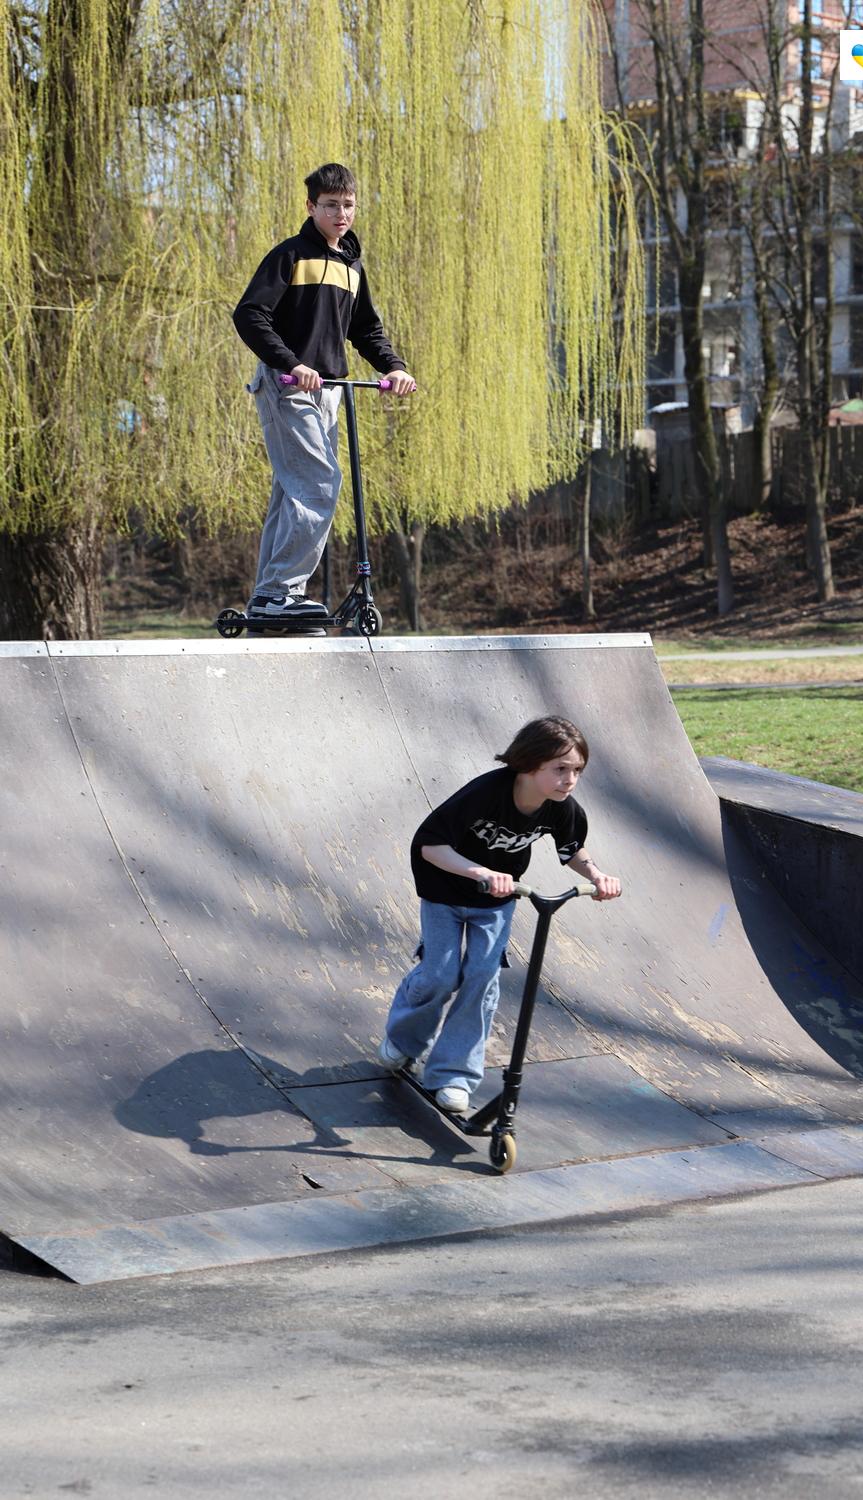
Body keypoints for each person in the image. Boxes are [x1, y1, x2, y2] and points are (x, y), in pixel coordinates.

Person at [378, 717, 622, 1113]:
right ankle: (403, 1042)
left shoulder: (562, 809)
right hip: (444, 894)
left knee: (481, 978)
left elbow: (572, 848)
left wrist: (597, 875)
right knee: (441, 975)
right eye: (560, 769)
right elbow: (429, 845)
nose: (570, 779)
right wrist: (481, 872)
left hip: (496, 903)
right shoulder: (485, 794)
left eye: (577, 770)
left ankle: (453, 1074)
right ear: (529, 764)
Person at [232, 162, 416, 623]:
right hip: (288, 385)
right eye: (331, 205)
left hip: (329, 393)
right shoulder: (291, 255)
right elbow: (250, 314)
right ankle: (281, 592)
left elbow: (366, 328)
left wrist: (393, 367)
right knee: (318, 483)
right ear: (311, 206)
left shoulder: (351, 265)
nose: (341, 214)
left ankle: (268, 597)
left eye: (348, 205)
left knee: (291, 490)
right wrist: (292, 363)